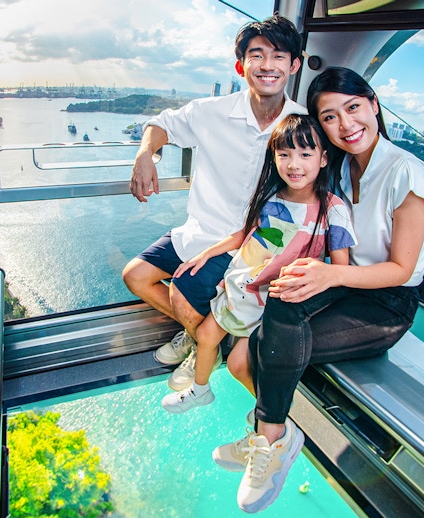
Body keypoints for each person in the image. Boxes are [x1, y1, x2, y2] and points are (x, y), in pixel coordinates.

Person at [214, 66, 424, 514]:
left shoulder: (406, 173)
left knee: (262, 344)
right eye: (330, 117)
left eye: (353, 108)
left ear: (374, 105)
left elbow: (401, 270)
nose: (346, 125)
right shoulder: (342, 169)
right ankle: (274, 433)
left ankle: (271, 437)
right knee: (283, 294)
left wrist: (330, 275)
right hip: (346, 284)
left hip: (385, 303)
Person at [122, 15, 307, 390]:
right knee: (135, 277)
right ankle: (201, 337)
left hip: (252, 243)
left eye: (278, 56)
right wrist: (145, 154)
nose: (267, 66)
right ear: (242, 66)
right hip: (199, 229)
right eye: (257, 56)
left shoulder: (301, 125)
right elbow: (161, 124)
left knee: (181, 294)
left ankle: (202, 343)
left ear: (294, 65)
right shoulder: (211, 112)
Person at [161, 114, 356, 414]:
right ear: (274, 157)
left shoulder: (332, 210)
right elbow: (248, 236)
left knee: (229, 356)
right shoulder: (272, 198)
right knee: (218, 347)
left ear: (323, 158)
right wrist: (205, 254)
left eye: (305, 154)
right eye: (284, 154)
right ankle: (212, 395)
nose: (294, 164)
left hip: (273, 301)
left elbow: (338, 271)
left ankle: (268, 416)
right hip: (243, 288)